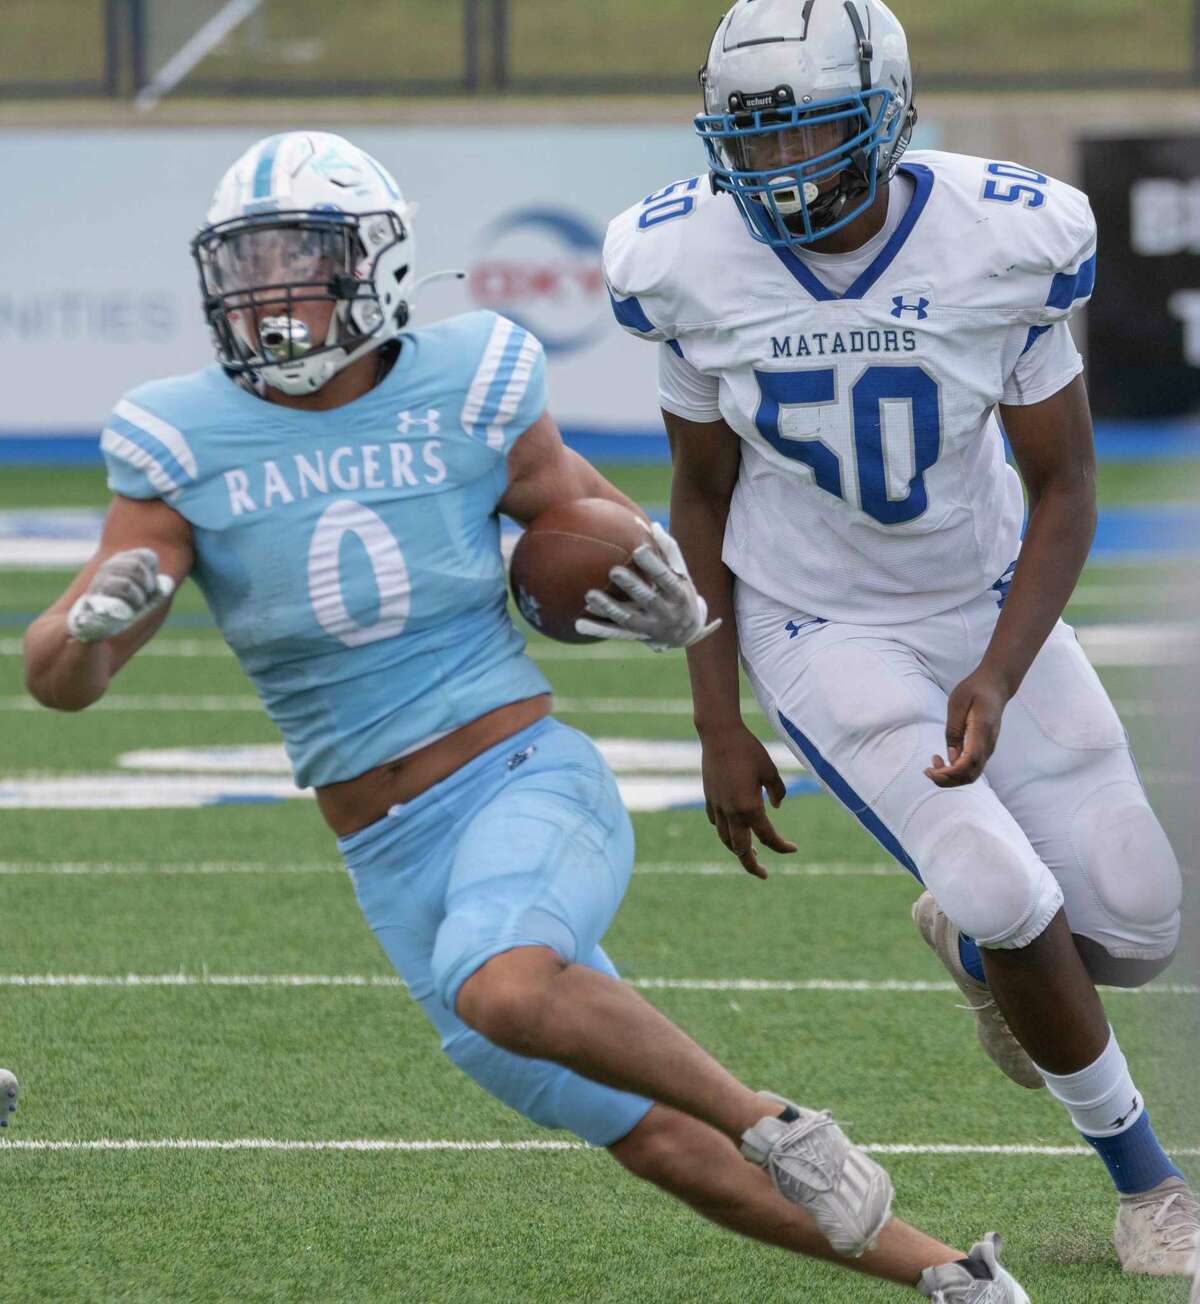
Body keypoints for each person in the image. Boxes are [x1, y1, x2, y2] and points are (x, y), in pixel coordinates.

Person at [23, 130, 1029, 1301]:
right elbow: (62, 682)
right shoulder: (178, 434)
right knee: (648, 1137)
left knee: (500, 983)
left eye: (303, 260)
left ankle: (780, 1121)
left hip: (521, 780)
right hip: (385, 856)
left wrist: (667, 602)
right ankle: (957, 1279)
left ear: (379, 264)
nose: (272, 294)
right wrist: (91, 621)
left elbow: (610, 538)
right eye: (251, 267)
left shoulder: (472, 379)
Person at [601, 0, 1198, 1281]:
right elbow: (698, 498)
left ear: (889, 118)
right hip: (823, 624)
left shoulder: (1001, 235)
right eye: (751, 142)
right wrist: (718, 713)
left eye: (809, 135)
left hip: (983, 596)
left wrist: (998, 665)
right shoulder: (685, 259)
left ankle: (985, 956)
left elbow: (1067, 486)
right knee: (1005, 885)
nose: (780, 172)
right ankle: (1150, 1184)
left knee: (1140, 927)